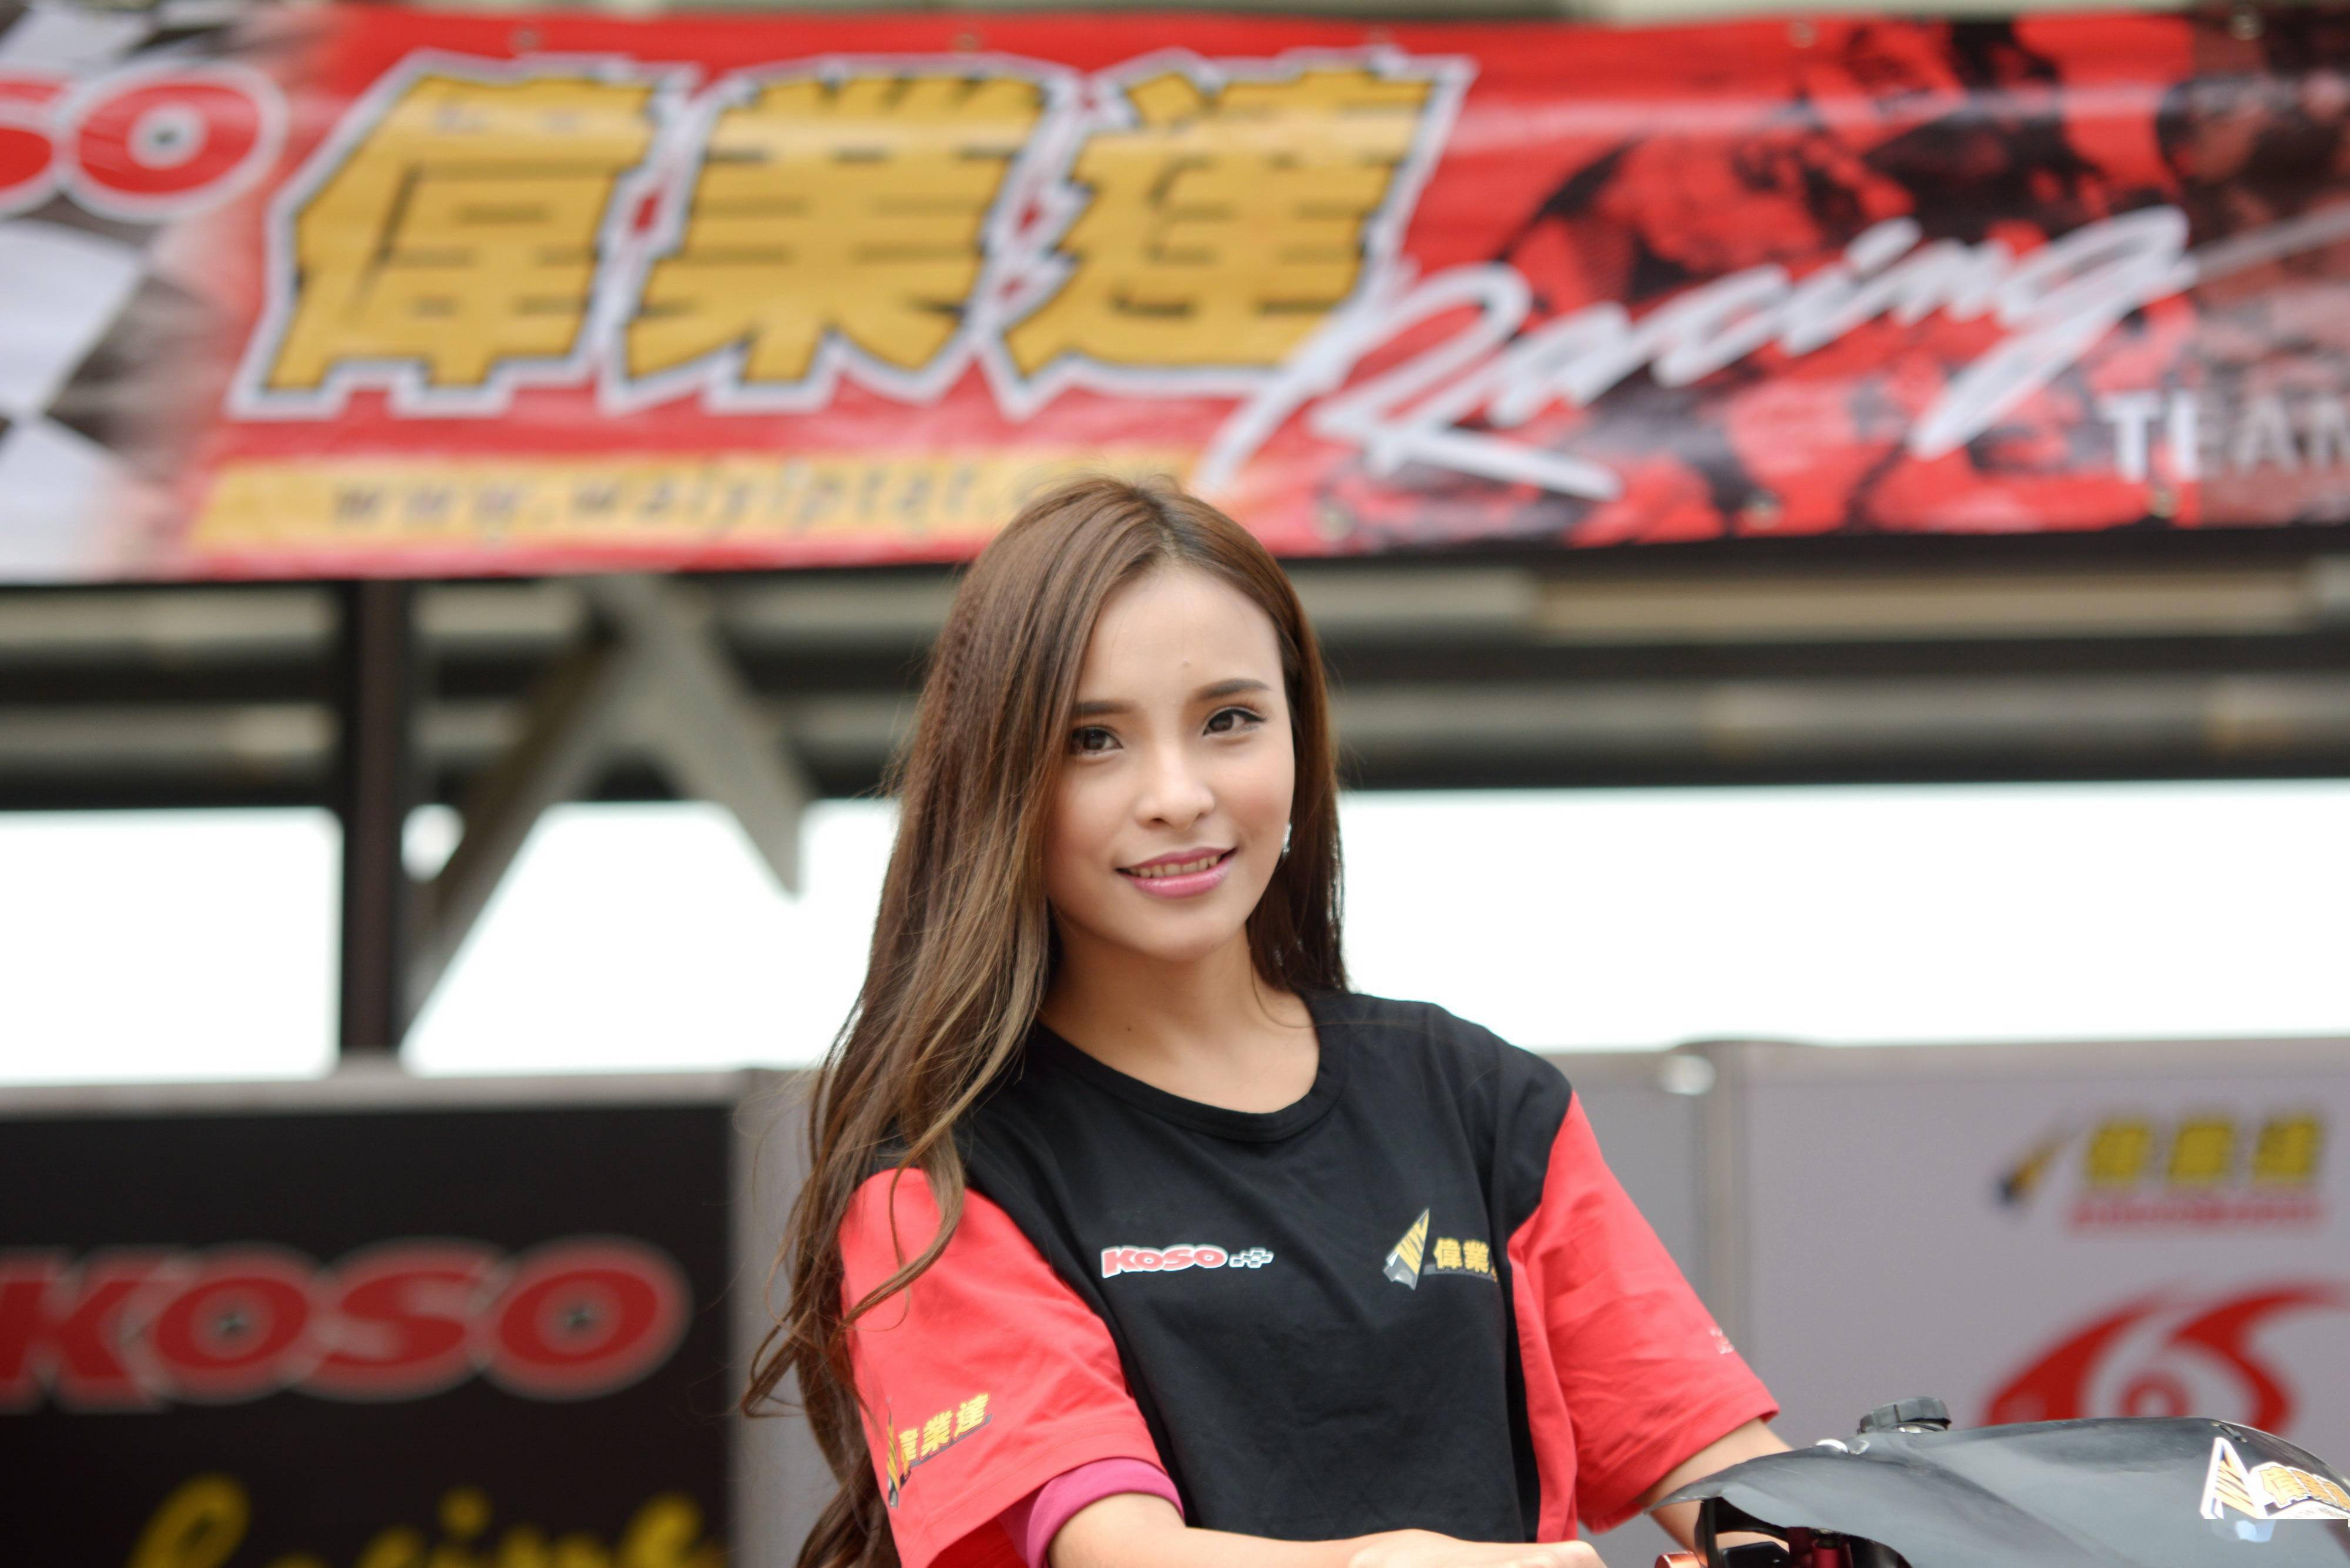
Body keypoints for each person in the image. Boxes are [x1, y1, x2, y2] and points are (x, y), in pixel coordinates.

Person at [747, 475, 1785, 1568]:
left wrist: (1847, 1534)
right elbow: (1117, 1553)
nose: (1178, 793)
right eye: (1093, 738)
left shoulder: (1478, 1100)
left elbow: (1723, 1473)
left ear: (1299, 731)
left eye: (1229, 720)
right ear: (997, 774)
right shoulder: (943, 1178)